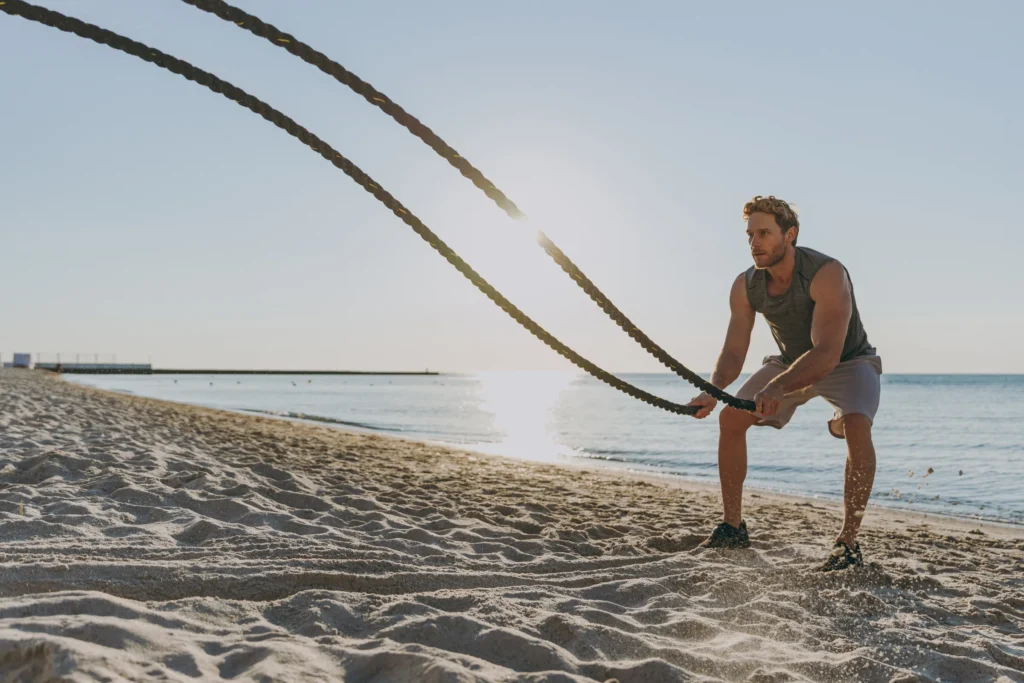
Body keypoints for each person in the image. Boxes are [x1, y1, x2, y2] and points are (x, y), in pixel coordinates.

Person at [687, 195, 882, 571]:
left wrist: (777, 388)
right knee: (730, 418)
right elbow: (733, 351)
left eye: (764, 233)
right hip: (791, 362)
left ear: (789, 234)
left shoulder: (826, 273)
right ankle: (733, 526)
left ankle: (847, 544)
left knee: (858, 427)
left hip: (848, 361)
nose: (754, 242)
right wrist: (712, 391)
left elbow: (826, 354)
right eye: (750, 235)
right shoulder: (746, 285)